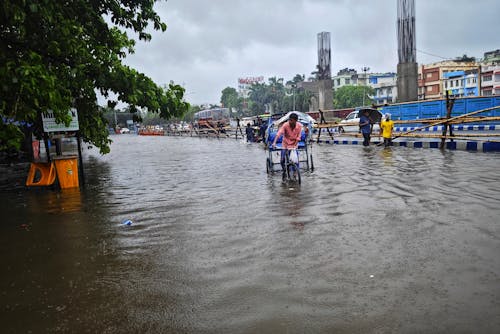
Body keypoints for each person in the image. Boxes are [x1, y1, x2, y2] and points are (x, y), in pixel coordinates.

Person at [272, 113, 303, 179]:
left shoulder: (299, 126)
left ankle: (295, 172)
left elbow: (298, 137)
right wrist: (274, 142)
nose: (290, 121)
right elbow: (279, 133)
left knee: (295, 160)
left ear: (295, 121)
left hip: (294, 144)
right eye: (289, 120)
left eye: (292, 120)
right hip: (285, 144)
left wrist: (295, 145)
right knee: (282, 160)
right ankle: (284, 170)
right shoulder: (285, 125)